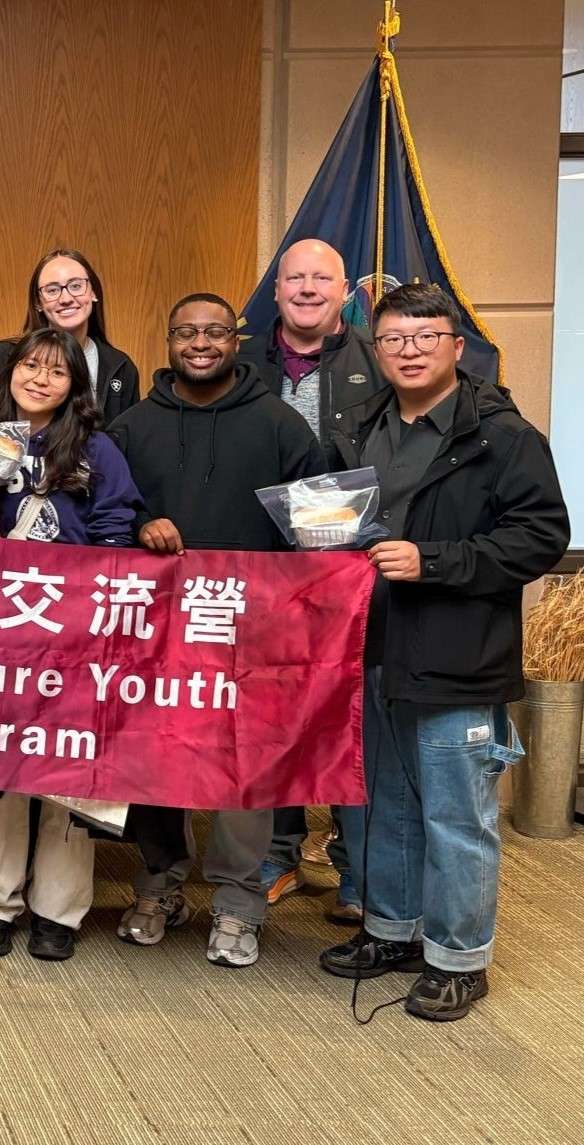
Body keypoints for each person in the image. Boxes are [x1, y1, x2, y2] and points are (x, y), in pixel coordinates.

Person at [318, 283, 567, 1021]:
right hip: (375, 645)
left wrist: (436, 561)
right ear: (378, 349)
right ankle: (393, 929)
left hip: (458, 650)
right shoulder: (365, 427)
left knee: (457, 813)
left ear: (457, 347)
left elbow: (540, 537)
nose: (410, 350)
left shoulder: (504, 436)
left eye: (426, 337)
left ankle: (458, 956)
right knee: (384, 803)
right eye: (394, 338)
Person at [104, 292, 322, 968]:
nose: (200, 342)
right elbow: (108, 516)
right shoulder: (131, 428)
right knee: (154, 760)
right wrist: (141, 528)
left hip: (251, 635)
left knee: (241, 769)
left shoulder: (282, 427)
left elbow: (318, 536)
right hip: (155, 631)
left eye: (214, 332)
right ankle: (162, 882)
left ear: (236, 339)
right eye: (186, 331)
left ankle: (236, 902)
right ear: (168, 340)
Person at [0, 328, 143, 961]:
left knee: (68, 761)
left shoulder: (98, 450)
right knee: (1, 763)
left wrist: (94, 613)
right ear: (10, 372)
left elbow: (117, 535)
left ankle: (58, 909)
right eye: (30, 366)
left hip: (77, 631)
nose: (40, 378)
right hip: (4, 631)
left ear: (75, 387)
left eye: (56, 372)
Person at [239, 237, 384, 919]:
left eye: (320, 277)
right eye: (293, 277)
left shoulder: (378, 358)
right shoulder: (240, 358)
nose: (305, 288)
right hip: (262, 565)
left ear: (345, 289)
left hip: (346, 569)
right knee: (268, 710)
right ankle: (277, 848)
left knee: (343, 713)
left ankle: (356, 864)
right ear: (276, 290)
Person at [0, 248, 140, 429]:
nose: (66, 298)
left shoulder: (120, 367)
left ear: (93, 292)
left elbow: (127, 444)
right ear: (38, 303)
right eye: (52, 290)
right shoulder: (5, 356)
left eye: (76, 286)